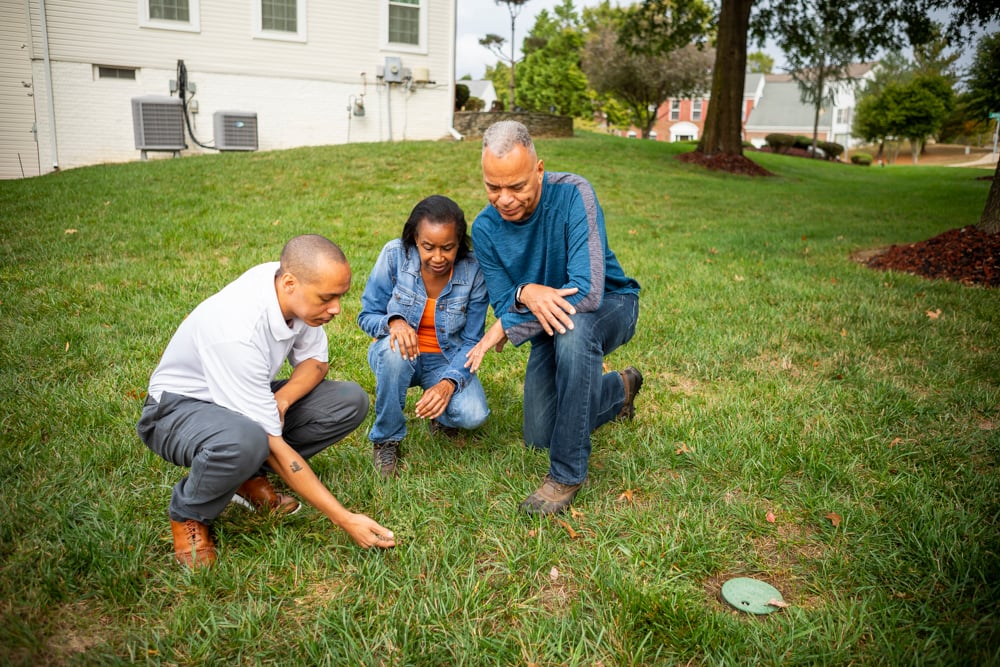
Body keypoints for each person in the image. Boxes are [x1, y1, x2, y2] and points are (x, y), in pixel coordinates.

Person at [137, 235, 396, 568]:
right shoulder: (238, 331)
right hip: (176, 410)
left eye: (340, 297)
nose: (336, 309)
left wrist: (283, 399)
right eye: (327, 298)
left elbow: (316, 363)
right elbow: (274, 444)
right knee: (248, 439)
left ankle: (242, 476)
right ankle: (189, 513)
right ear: (289, 282)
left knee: (348, 401)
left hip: (239, 394)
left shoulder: (290, 290)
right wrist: (345, 518)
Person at [466, 120, 642, 516]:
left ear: (539, 170)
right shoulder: (485, 229)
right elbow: (503, 302)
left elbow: (589, 291)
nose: (504, 199)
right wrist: (525, 293)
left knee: (575, 330)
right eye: (493, 187)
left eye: (517, 187)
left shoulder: (574, 193)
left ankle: (566, 474)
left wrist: (509, 327)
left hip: (610, 305)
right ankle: (619, 390)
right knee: (540, 434)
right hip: (547, 323)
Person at [358, 195, 491, 477]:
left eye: (448, 247)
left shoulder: (474, 270)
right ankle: (386, 439)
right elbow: (366, 315)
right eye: (428, 247)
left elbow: (471, 341)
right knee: (395, 357)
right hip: (397, 353)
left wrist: (447, 384)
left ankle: (439, 413)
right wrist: (393, 322)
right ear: (414, 240)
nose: (438, 257)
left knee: (473, 414)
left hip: (445, 359)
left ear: (460, 243)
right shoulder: (394, 255)